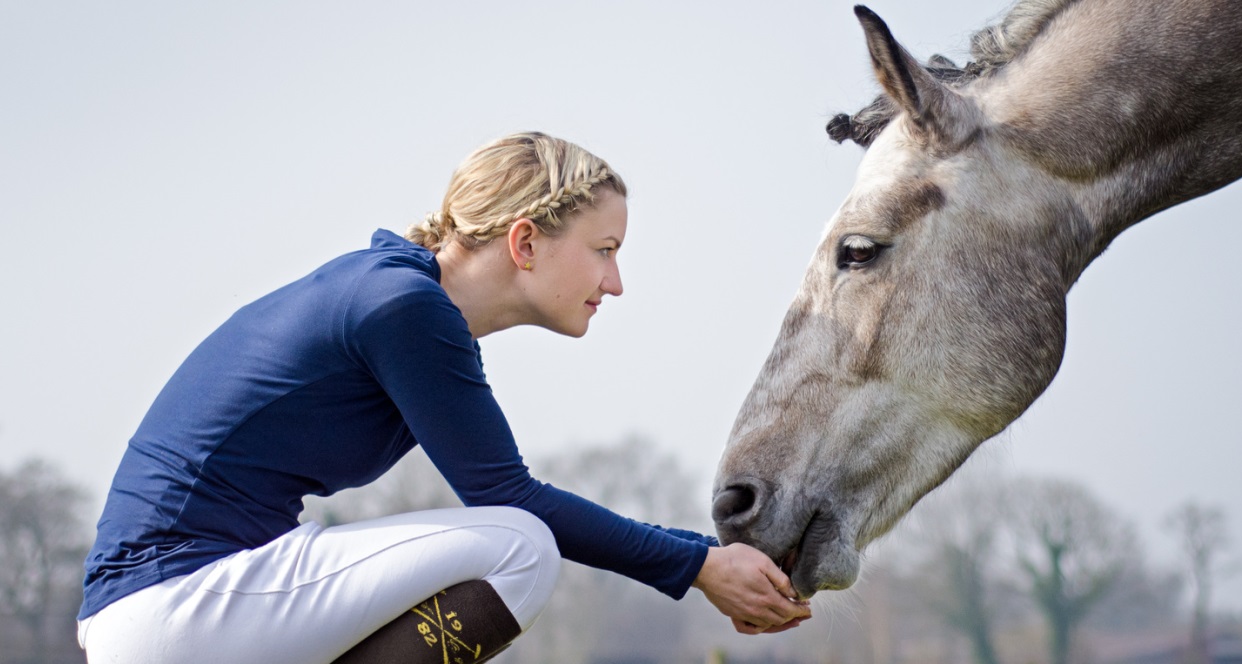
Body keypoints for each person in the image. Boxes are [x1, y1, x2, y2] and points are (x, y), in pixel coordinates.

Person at [76, 132, 811, 664]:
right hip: (176, 602)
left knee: (512, 540)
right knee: (519, 547)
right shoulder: (403, 306)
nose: (615, 283)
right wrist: (698, 566)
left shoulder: (396, 295)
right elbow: (511, 497)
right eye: (605, 250)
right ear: (525, 242)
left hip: (178, 609)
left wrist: (699, 559)